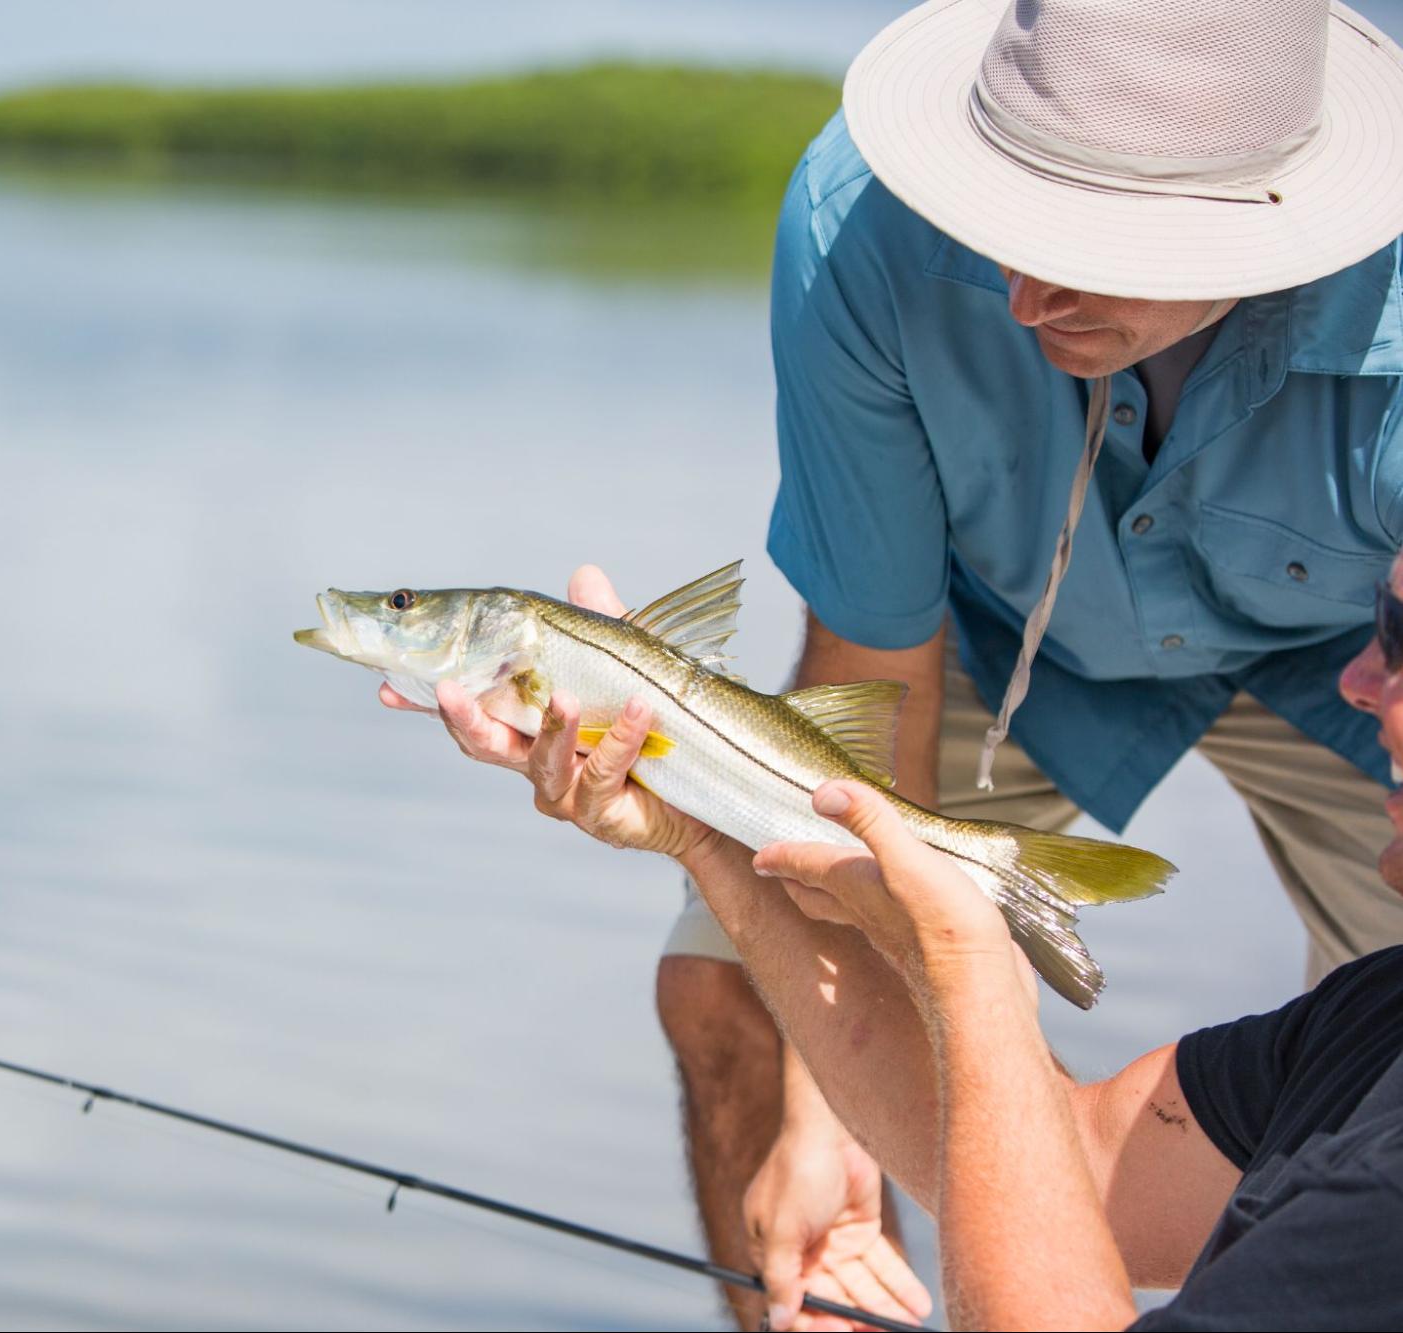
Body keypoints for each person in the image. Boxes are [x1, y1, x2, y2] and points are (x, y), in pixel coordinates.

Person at [637, 0, 1403, 1321]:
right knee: (729, 992)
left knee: (1361, 1079)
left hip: (1354, 661)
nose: (1019, 296)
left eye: (1092, 251)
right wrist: (830, 1116)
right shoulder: (856, 231)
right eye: (1005, 218)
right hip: (996, 640)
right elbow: (868, 670)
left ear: (1271, 218)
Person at [435, 545, 1403, 1329]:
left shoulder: (1378, 1195)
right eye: (1373, 620)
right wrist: (704, 835)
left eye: (1399, 637)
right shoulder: (1373, 1029)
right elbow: (1077, 1164)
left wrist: (972, 970)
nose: (1354, 681)